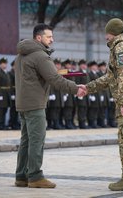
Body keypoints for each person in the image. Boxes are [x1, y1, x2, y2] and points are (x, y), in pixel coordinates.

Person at [78, 18, 123, 191]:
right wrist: (88, 88)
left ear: (114, 33)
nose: (106, 37)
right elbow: (111, 77)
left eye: (107, 33)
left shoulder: (121, 48)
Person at [14, 23, 84, 188]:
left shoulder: (20, 55)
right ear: (39, 37)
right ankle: (35, 177)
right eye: (49, 37)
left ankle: (21, 176)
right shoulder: (40, 56)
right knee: (37, 141)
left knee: (26, 141)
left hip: (23, 104)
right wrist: (76, 88)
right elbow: (55, 79)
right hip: (35, 105)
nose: (52, 40)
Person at [0, 57, 11, 130]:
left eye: (6, 63)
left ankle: (3, 124)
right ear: (0, 64)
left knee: (5, 109)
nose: (5, 65)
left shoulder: (6, 73)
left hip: (7, 93)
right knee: (1, 110)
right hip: (1, 93)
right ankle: (0, 124)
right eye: (3, 63)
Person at [8, 60, 20, 130]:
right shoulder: (10, 73)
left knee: (17, 109)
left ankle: (16, 122)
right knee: (13, 109)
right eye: (15, 65)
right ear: (12, 66)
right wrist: (12, 94)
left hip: (18, 93)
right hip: (13, 93)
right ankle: (12, 123)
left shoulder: (18, 73)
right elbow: (10, 84)